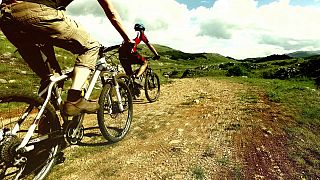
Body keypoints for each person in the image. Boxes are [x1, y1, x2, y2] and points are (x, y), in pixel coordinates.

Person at [0, 0, 133, 116]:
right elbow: (111, 12)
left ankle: (48, 131)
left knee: (53, 79)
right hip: (35, 11)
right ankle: (74, 99)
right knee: (91, 46)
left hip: (6, 17)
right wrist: (127, 39)